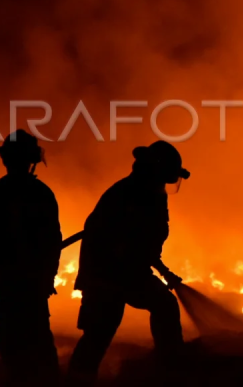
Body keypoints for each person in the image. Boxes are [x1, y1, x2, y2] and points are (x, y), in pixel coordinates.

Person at [68, 141, 190, 383]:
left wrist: (163, 270)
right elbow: (113, 241)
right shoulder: (121, 195)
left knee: (165, 304)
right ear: (153, 171)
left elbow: (146, 242)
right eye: (165, 177)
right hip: (104, 275)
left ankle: (170, 370)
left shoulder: (153, 196)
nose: (166, 184)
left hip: (132, 272)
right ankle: (77, 380)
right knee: (99, 333)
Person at [0, 130, 62, 386]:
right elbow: (53, 241)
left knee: (12, 335)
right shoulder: (42, 193)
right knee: (36, 336)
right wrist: (48, 276)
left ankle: (24, 377)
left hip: (13, 279)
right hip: (29, 280)